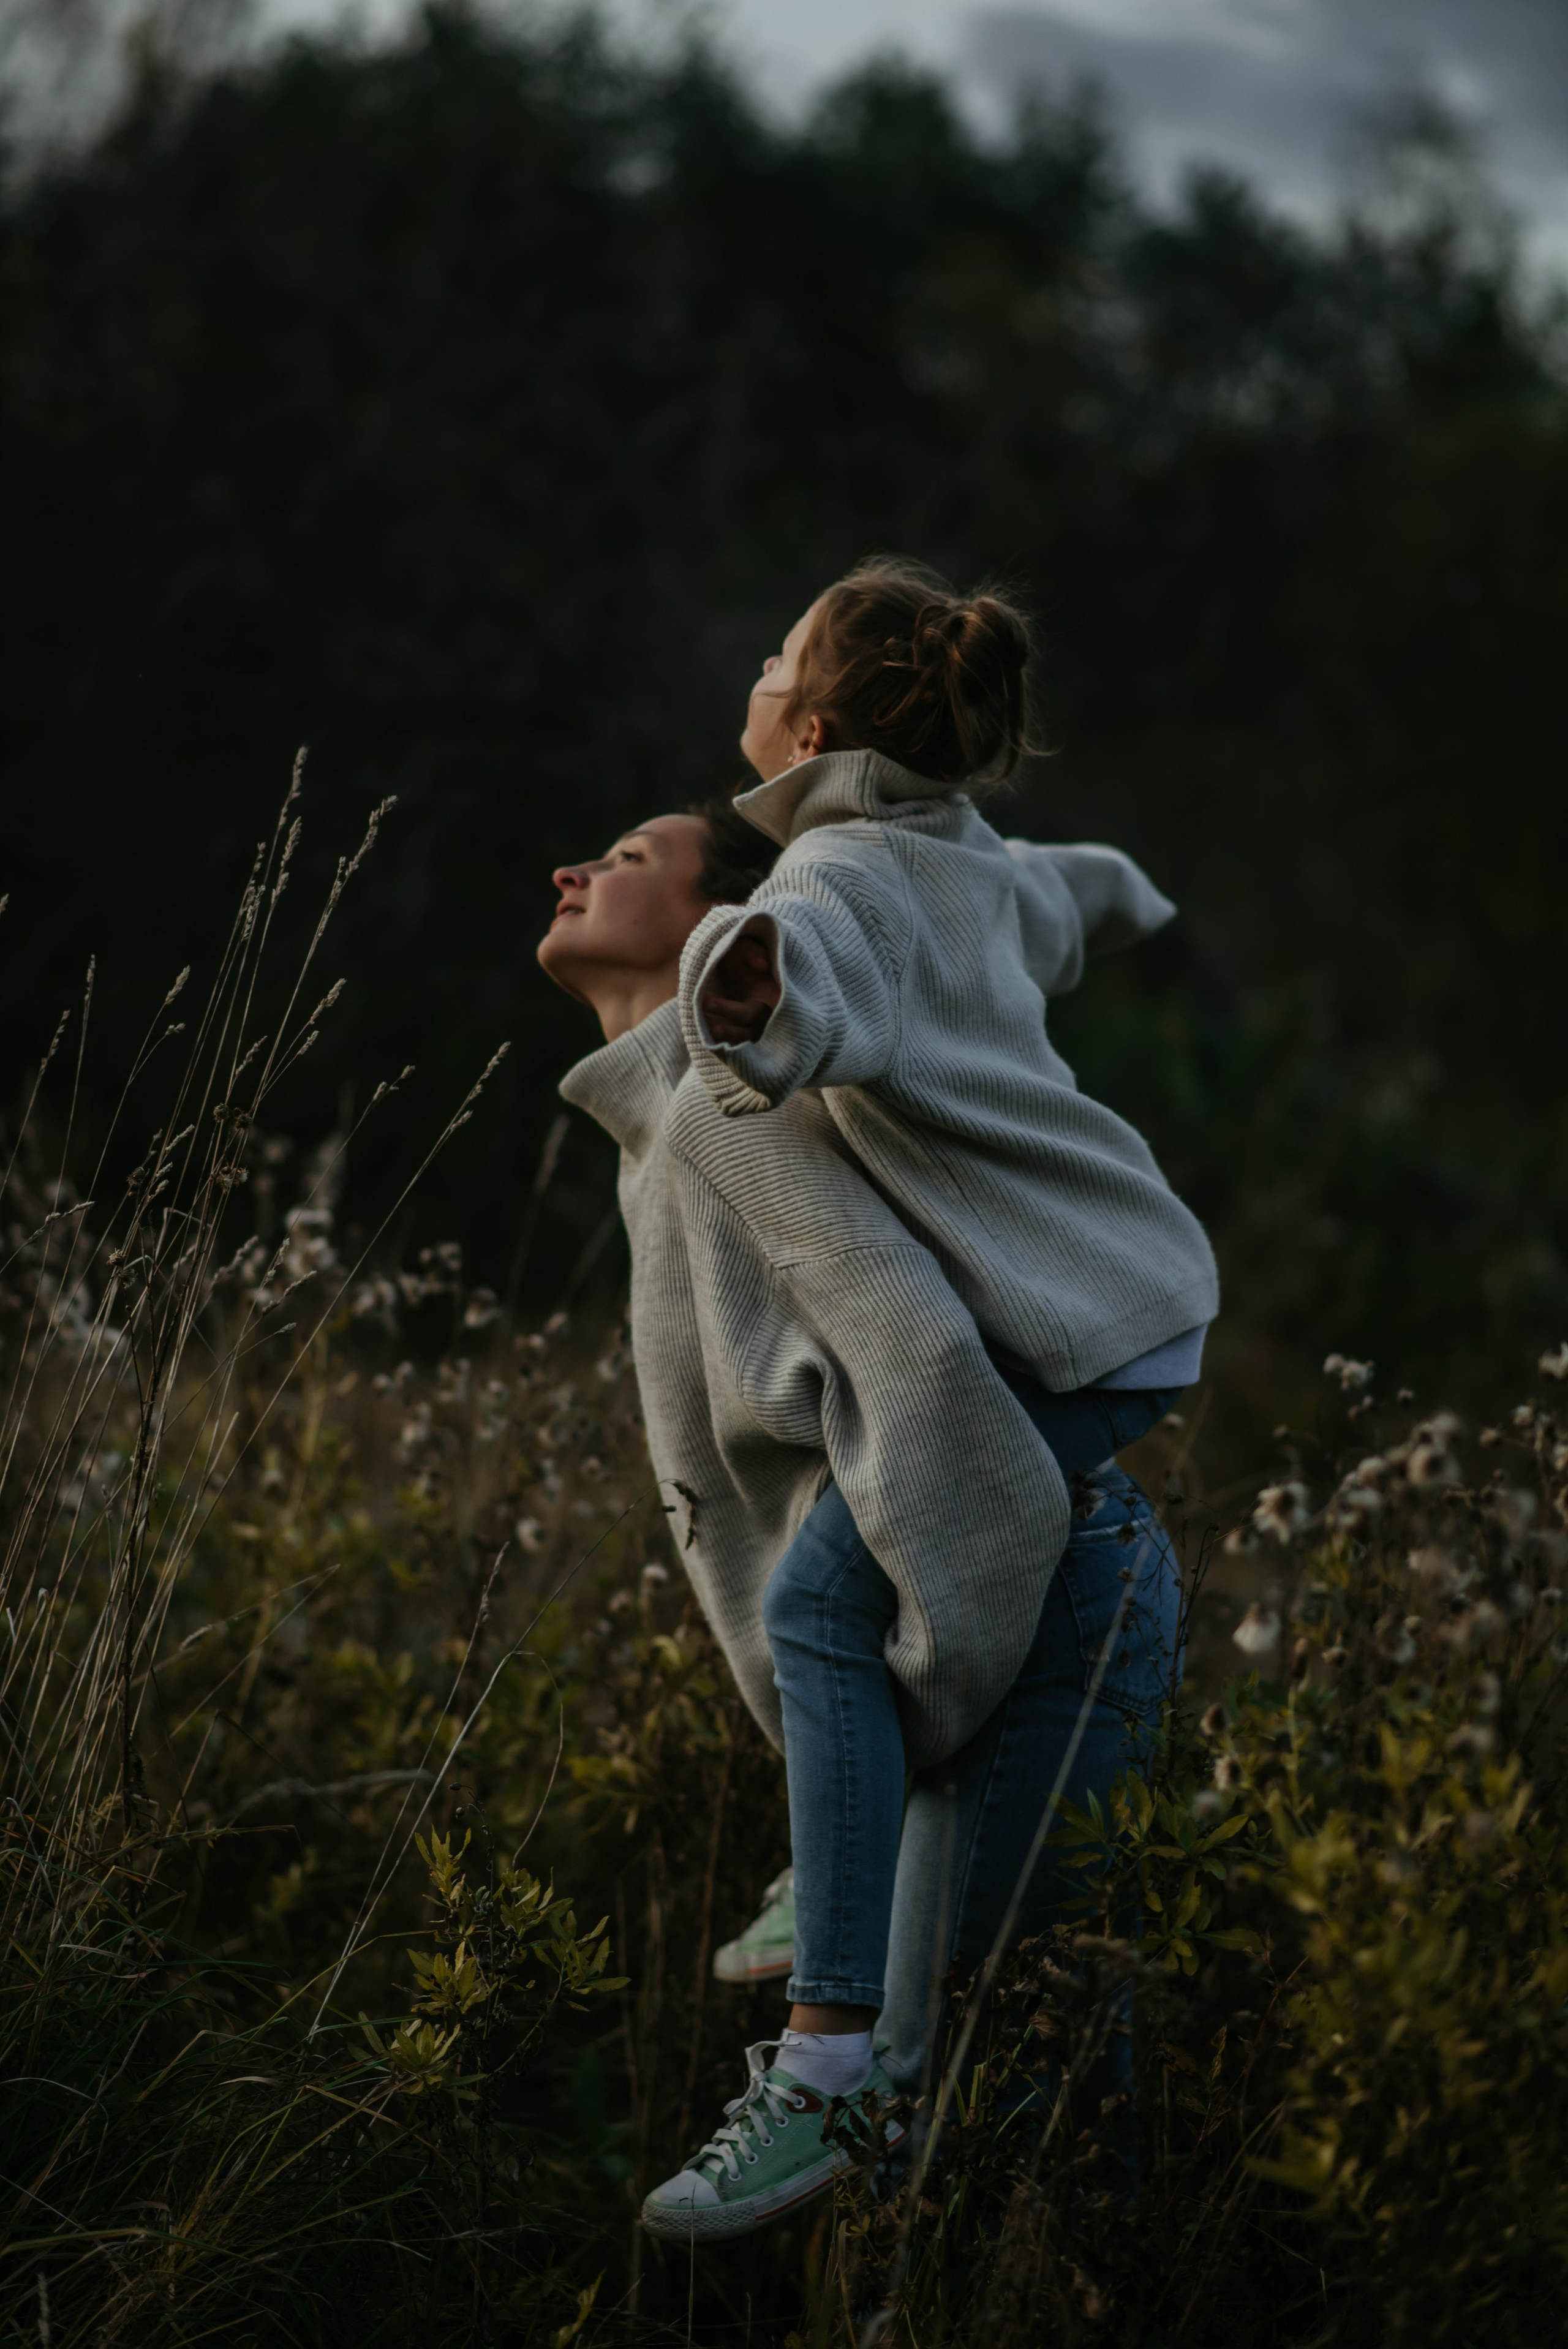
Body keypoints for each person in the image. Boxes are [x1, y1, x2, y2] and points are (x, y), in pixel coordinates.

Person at [538, 786, 1189, 2241]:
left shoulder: (722, 1110)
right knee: (956, 2101)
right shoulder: (672, 1111)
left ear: (720, 918)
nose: (575, 865)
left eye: (631, 855)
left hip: (1022, 1565)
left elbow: (923, 1353)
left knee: (1017, 2077)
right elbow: (995, 883)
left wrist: (922, 1674)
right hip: (960, 1554)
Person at [672, 559, 1216, 2121]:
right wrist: (1137, 897)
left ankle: (828, 2056)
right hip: (1135, 1305)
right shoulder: (967, 855)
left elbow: (803, 994)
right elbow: (1072, 890)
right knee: (861, 1597)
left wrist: (740, 984)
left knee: (824, 1610)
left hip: (1067, 1337)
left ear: (813, 724)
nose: (753, 670)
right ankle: (838, 1863)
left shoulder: (825, 885)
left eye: (770, 655)